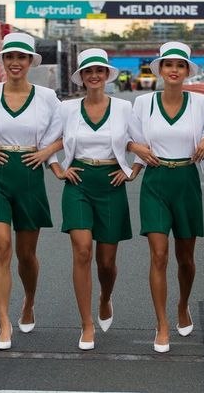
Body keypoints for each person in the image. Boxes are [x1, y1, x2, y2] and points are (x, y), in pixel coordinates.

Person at [0, 33, 62, 350]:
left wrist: (46, 153)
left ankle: (29, 302)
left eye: (21, 57)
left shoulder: (48, 97)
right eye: (10, 57)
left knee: (26, 255)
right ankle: (3, 322)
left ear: (30, 62)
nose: (15, 62)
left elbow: (69, 129)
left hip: (30, 176)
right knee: (1, 247)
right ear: (3, 62)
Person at [128, 42, 204, 353]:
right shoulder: (142, 103)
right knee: (158, 254)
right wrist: (135, 149)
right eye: (168, 65)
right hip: (155, 182)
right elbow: (128, 137)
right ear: (160, 69)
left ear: (186, 71)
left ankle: (182, 305)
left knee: (186, 259)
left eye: (180, 66)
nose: (174, 70)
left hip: (186, 180)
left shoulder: (201, 104)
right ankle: (162, 323)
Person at [46, 48, 140, 350]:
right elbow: (49, 141)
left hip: (112, 183)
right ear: (82, 78)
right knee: (83, 250)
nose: (94, 76)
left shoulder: (125, 108)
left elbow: (141, 142)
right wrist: (58, 168)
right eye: (89, 72)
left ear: (107, 75)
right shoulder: (68, 109)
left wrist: (133, 170)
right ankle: (86, 324)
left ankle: (105, 296)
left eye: (99, 71)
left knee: (107, 262)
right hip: (79, 183)